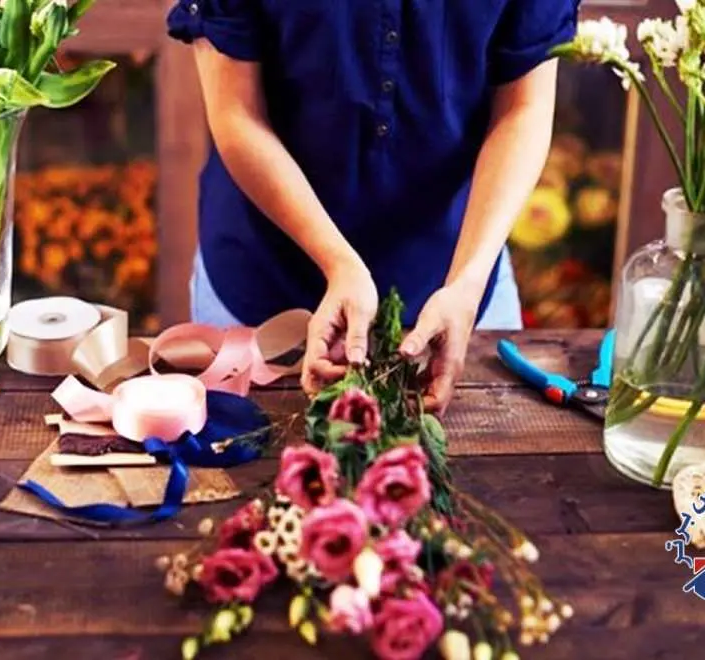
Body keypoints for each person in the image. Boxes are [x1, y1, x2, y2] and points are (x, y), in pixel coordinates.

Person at [167, 0, 578, 411]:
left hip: (459, 273)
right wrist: (337, 262)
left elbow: (523, 108)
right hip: (263, 278)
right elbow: (237, 110)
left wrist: (466, 283)